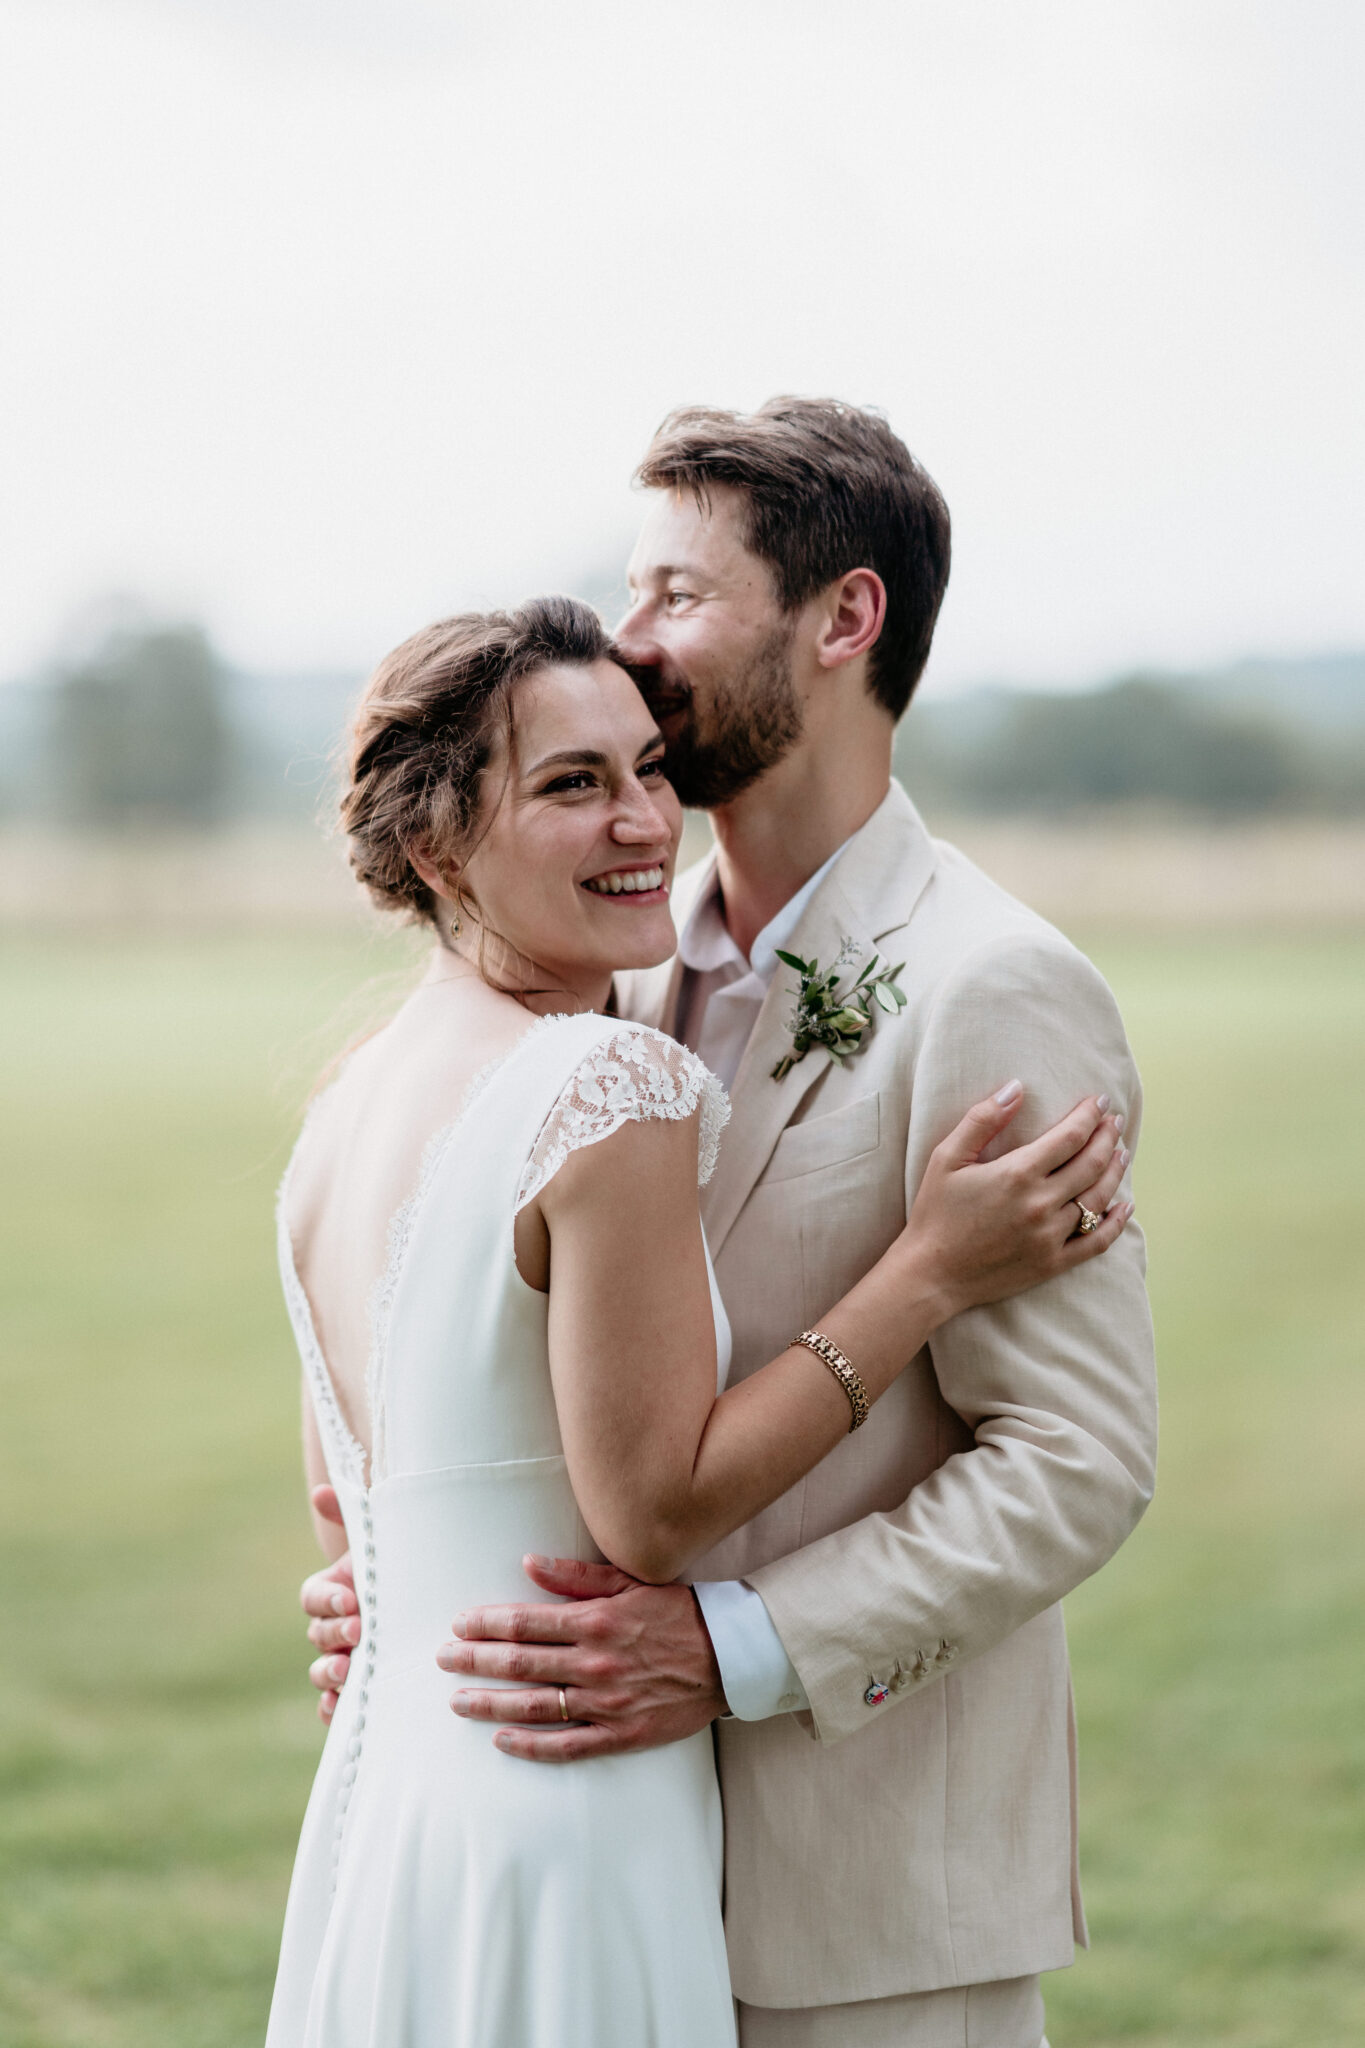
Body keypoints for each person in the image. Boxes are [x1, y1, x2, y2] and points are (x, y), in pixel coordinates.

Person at [273, 591, 1131, 2046]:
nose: (639, 821)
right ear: (432, 845)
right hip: (571, 1805)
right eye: (571, 785)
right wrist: (924, 1275)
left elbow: (339, 1515)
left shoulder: (342, 1104)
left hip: (391, 1808)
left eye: (646, 770)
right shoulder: (599, 1082)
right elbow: (654, 1512)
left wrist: (390, 1597)